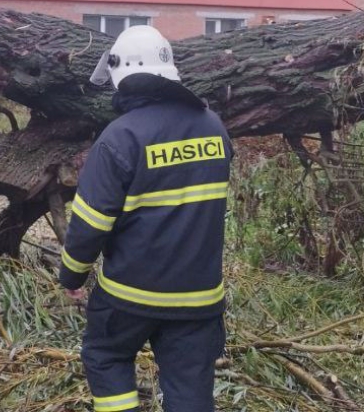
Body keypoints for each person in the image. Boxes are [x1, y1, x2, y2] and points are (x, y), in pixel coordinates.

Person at [58, 26, 234, 412]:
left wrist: (72, 277)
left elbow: (89, 226)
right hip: (199, 299)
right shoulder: (214, 129)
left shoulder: (119, 138)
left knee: (105, 355)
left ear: (122, 77)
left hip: (129, 296)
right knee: (191, 390)